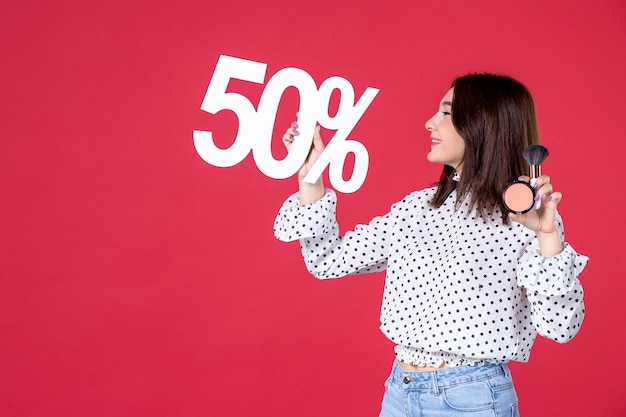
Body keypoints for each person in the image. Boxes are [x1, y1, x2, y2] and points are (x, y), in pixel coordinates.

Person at [273, 73, 588, 416]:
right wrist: (310, 175)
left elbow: (560, 328)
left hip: (472, 399)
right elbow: (327, 259)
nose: (429, 122)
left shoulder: (527, 218)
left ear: (484, 124)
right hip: (400, 392)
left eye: (446, 113)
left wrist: (547, 236)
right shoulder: (417, 208)